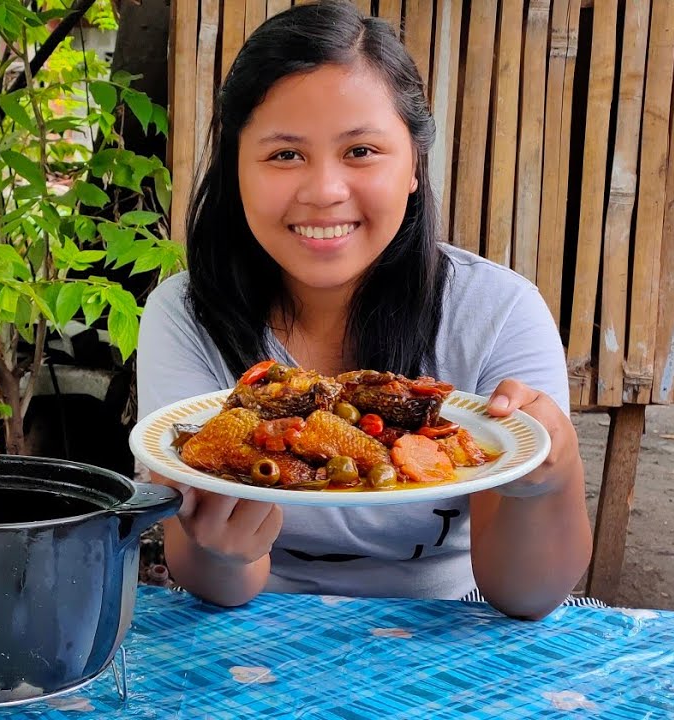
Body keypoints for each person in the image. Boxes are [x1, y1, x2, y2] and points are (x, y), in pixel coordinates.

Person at [135, 0, 593, 620]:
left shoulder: (498, 312)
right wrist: (223, 553)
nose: (324, 191)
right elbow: (215, 582)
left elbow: (528, 595)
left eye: (361, 151)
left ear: (413, 165)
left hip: (451, 633)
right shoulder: (184, 315)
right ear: (236, 168)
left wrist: (547, 476)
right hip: (252, 632)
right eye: (285, 155)